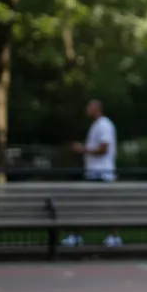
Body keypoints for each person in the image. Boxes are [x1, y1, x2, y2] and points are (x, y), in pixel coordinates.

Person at [62, 99, 121, 247]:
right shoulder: (97, 125)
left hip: (101, 173)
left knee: (90, 206)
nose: (87, 110)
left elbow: (104, 149)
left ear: (97, 108)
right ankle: (111, 236)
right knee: (94, 206)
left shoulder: (103, 125)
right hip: (96, 173)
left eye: (89, 107)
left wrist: (82, 150)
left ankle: (79, 236)